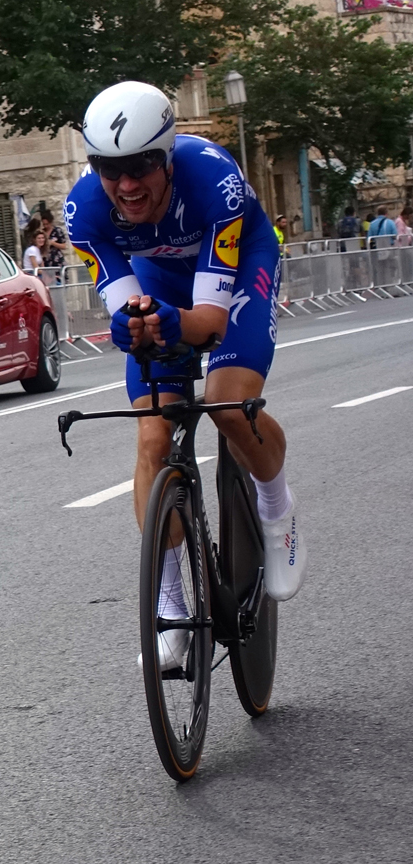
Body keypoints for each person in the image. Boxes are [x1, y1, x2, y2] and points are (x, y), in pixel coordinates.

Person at [64, 81, 302, 671]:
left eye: (142, 165)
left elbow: (211, 324)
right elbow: (128, 307)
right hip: (163, 280)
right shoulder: (84, 211)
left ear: (167, 157)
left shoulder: (212, 180)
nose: (126, 184)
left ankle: (276, 501)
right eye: (109, 168)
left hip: (238, 266)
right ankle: (169, 606)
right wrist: (133, 325)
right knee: (152, 435)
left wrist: (172, 325)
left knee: (224, 403)